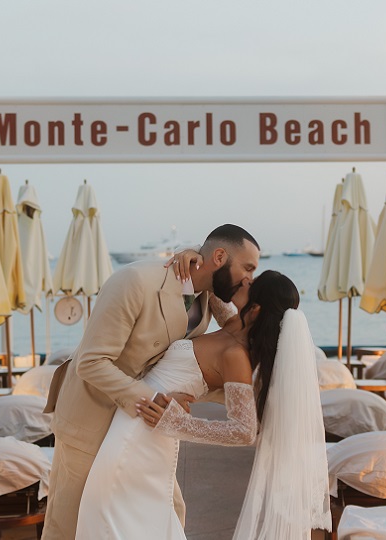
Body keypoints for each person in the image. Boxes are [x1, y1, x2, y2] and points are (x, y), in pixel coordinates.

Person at [42, 224, 261, 540]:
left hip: (144, 428)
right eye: (248, 267)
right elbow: (91, 362)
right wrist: (154, 398)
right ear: (220, 256)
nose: (249, 278)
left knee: (168, 514)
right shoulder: (134, 282)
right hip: (92, 420)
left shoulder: (208, 296)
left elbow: (236, 336)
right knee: (73, 526)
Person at [76, 271, 332, 539]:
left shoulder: (236, 356)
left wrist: (178, 424)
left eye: (252, 283)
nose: (246, 279)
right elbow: (210, 281)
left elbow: (245, 431)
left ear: (255, 309)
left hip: (146, 428)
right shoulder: (232, 322)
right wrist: (191, 254)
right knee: (112, 511)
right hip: (132, 419)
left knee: (111, 511)